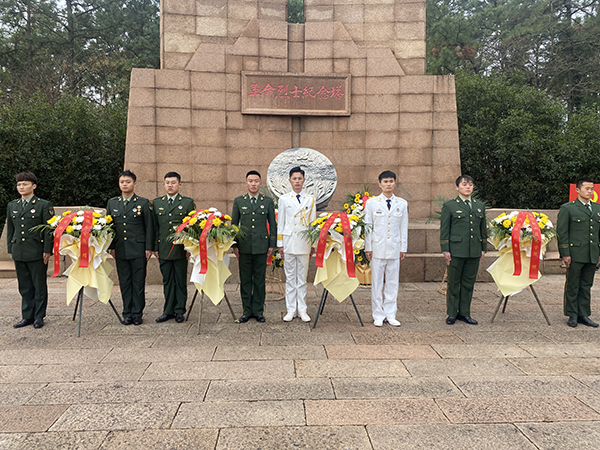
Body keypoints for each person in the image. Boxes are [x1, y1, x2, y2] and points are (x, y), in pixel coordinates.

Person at [6, 172, 54, 329]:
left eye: (25, 184)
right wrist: (11, 249)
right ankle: (27, 316)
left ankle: (39, 316)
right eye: (19, 184)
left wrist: (47, 250)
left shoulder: (43, 205)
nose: (21, 187)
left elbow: (48, 230)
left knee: (39, 285)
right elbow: (11, 230)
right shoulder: (13, 205)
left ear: (34, 186)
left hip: (36, 251)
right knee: (24, 285)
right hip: (19, 250)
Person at [107, 170, 154, 325]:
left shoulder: (143, 203)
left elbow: (149, 227)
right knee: (125, 282)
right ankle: (127, 312)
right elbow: (110, 227)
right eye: (122, 182)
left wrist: (149, 248)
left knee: (138, 282)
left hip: (138, 249)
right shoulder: (112, 203)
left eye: (128, 181)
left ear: (134, 183)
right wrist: (111, 247)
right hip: (120, 250)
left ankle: (137, 313)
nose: (125, 184)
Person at [440, 175, 486, 325]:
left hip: (474, 250)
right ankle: (452, 313)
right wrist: (446, 250)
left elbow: (482, 229)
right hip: (456, 250)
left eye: (471, 185)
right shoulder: (450, 206)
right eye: (465, 184)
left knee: (468, 283)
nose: (468, 187)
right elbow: (445, 229)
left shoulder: (479, 205)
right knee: (453, 283)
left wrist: (483, 248)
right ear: (457, 187)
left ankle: (465, 313)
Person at [231, 170, 277, 323]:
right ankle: (246, 311)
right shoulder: (239, 201)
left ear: (260, 183)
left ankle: (258, 311)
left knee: (259, 280)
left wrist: (272, 244)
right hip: (244, 247)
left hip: (261, 246)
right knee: (245, 280)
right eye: (250, 181)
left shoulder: (268, 201)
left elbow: (272, 224)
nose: (253, 184)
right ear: (246, 183)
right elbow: (234, 225)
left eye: (256, 181)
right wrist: (235, 245)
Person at [364, 170, 408, 327]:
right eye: (385, 181)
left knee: (392, 282)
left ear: (395, 183)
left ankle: (390, 313)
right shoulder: (372, 203)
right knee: (376, 283)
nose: (388, 184)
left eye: (391, 181)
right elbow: (368, 226)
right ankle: (378, 314)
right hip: (377, 248)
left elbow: (404, 227)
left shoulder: (402, 204)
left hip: (394, 248)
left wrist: (403, 248)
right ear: (380, 184)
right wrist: (367, 247)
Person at [152, 172, 195, 323]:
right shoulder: (157, 203)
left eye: (173, 183)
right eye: (167, 183)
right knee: (167, 281)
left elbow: (192, 228)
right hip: (163, 248)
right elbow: (154, 228)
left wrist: (190, 248)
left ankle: (179, 311)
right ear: (163, 185)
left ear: (179, 185)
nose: (170, 185)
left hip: (180, 249)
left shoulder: (188, 202)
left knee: (180, 280)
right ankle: (168, 310)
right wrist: (155, 248)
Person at [557, 177, 600, 328]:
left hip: (592, 253)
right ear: (577, 190)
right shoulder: (568, 208)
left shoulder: (597, 208)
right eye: (587, 188)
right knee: (573, 284)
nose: (590, 191)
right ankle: (572, 314)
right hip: (575, 253)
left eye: (592, 189)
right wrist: (565, 253)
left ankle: (583, 314)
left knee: (586, 285)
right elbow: (562, 232)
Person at [277, 166, 316, 322]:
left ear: (304, 180)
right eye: (294, 178)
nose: (297, 181)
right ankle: (290, 309)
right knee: (290, 277)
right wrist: (280, 243)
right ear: (290, 180)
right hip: (289, 242)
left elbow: (312, 224)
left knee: (302, 278)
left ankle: (302, 309)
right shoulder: (284, 199)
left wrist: (312, 244)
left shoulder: (310, 199)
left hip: (304, 243)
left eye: (300, 178)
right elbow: (281, 222)